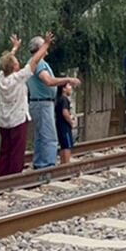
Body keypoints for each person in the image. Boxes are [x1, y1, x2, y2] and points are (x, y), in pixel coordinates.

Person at [0, 32, 53, 177]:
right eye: (16, 62)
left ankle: (2, 174)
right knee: (17, 150)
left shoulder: (1, 78)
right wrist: (46, 44)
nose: (18, 63)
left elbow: (6, 61)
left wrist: (14, 48)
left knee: (5, 149)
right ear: (15, 67)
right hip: (17, 119)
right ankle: (14, 176)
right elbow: (34, 61)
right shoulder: (18, 78)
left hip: (3, 119)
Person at [26, 35, 81, 170]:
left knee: (40, 136)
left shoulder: (33, 62)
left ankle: (39, 163)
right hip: (43, 103)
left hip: (38, 103)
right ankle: (49, 166)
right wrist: (68, 79)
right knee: (49, 136)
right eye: (45, 47)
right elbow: (48, 81)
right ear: (40, 48)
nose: (47, 50)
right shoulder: (39, 64)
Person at [55, 83, 75, 164]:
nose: (71, 88)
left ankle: (62, 163)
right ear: (64, 89)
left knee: (63, 145)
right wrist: (71, 122)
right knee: (67, 146)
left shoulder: (58, 99)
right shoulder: (64, 99)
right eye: (69, 86)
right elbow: (65, 112)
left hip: (59, 124)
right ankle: (66, 163)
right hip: (65, 126)